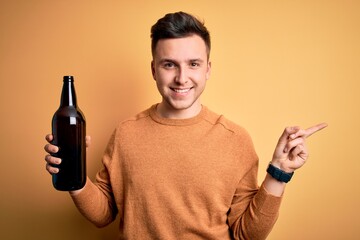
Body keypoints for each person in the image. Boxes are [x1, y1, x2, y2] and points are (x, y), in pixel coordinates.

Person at [44, 11, 327, 240]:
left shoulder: (235, 139)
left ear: (208, 69)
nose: (181, 78)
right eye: (169, 64)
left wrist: (280, 172)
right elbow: (104, 214)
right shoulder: (126, 133)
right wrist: (74, 177)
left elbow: (246, 235)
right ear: (154, 69)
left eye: (193, 64)